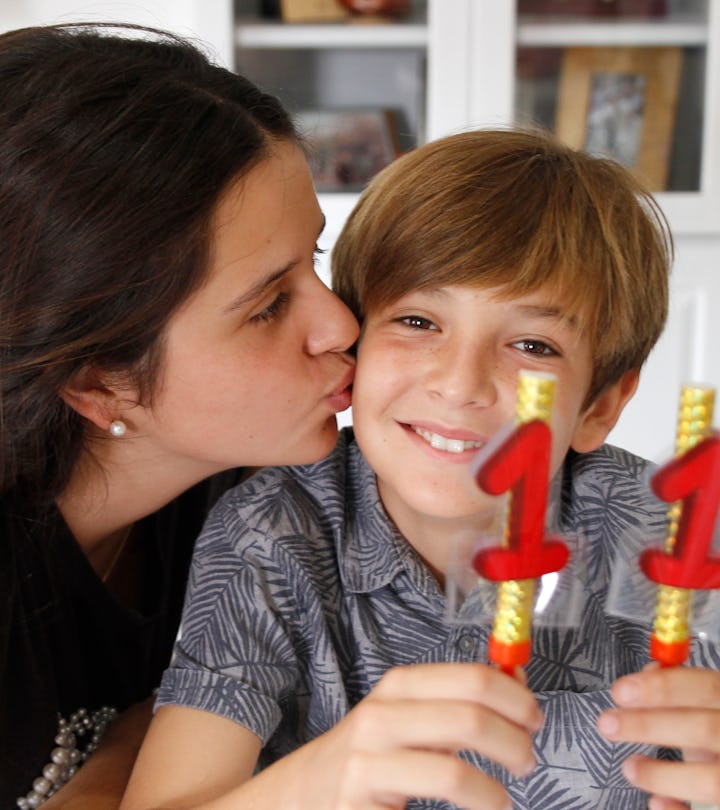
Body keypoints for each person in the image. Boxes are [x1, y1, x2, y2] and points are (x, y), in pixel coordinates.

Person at [121, 129, 720, 810]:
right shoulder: (270, 535)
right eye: (416, 321)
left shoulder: (678, 536)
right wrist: (317, 780)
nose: (460, 384)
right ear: (354, 340)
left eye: (532, 343)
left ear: (601, 404)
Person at [0, 22, 359, 810]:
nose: (341, 325)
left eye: (316, 262)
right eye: (269, 306)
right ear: (98, 383)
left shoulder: (282, 500)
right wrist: (137, 740)